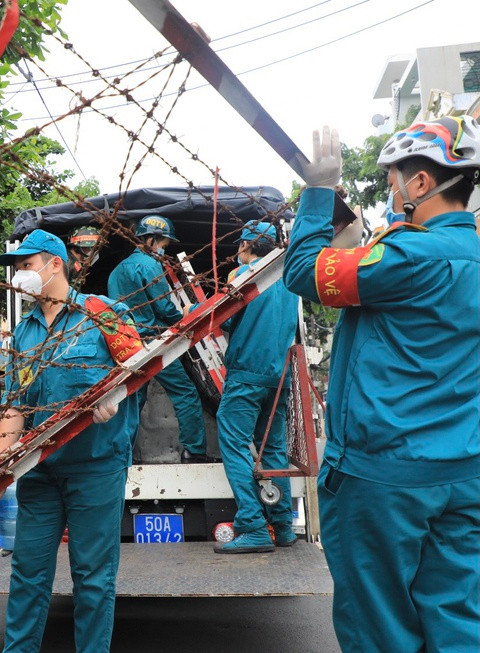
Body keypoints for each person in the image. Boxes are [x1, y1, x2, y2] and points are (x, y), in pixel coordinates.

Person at [283, 121, 480, 652]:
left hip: (385, 477)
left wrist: (319, 191)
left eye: (394, 179)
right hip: (464, 472)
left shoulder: (408, 258)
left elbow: (303, 272)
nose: (392, 190)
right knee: (459, 621)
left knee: (380, 626)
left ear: (420, 185)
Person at [0, 229, 141, 653]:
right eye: (17, 268)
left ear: (56, 264)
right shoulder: (23, 333)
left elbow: (142, 368)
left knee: (92, 579)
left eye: (26, 265)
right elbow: (15, 406)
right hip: (39, 470)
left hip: (96, 466)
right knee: (27, 574)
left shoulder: (102, 312)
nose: (19, 275)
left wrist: (118, 392)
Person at [206, 221, 298, 553]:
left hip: (246, 373)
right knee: (273, 449)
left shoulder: (243, 275)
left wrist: (195, 309)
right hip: (279, 376)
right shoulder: (288, 275)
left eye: (239, 247)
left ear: (246, 245)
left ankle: (254, 525)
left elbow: (225, 319)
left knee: (233, 442)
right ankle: (283, 526)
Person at [107, 215, 215, 463]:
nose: (163, 250)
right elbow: (164, 308)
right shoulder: (149, 265)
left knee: (133, 401)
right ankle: (194, 451)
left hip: (127, 346)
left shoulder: (116, 272)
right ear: (151, 239)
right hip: (153, 344)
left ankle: (124, 455)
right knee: (185, 393)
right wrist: (187, 317)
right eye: (163, 244)